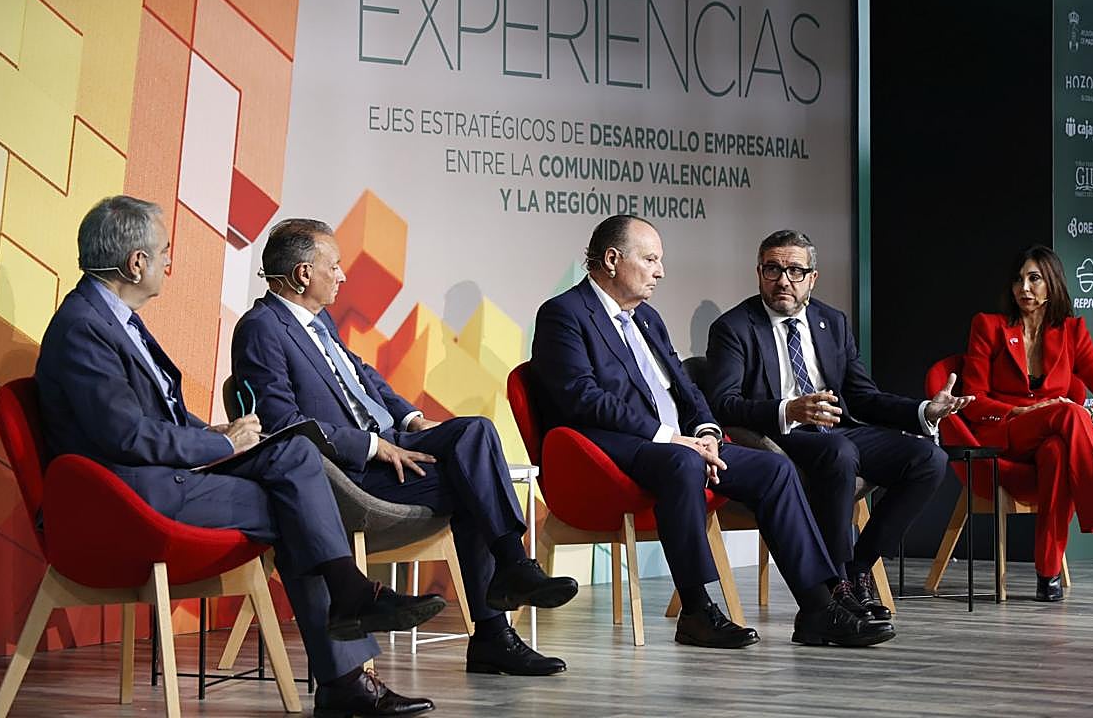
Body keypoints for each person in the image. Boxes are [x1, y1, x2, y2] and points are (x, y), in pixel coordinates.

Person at [35, 196, 442, 717]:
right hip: (130, 495)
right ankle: (348, 664)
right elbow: (127, 436)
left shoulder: (112, 318)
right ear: (136, 263)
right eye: (163, 252)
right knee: (299, 506)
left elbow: (160, 420)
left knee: (294, 457)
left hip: (162, 473)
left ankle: (349, 614)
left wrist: (219, 431)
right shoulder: (83, 328)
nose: (167, 262)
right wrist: (222, 444)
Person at [231, 219, 577, 678]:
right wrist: (373, 446)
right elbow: (284, 425)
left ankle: (510, 578)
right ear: (301, 275)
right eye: (333, 266)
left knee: (474, 434)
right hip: (347, 475)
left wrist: (411, 417)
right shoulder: (261, 328)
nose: (342, 275)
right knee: (474, 481)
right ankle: (498, 623)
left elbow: (363, 379)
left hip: (393, 444)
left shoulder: (319, 322)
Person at [529, 214, 895, 649]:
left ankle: (817, 606)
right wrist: (668, 436)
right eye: (650, 259)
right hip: (610, 448)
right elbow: (582, 398)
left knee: (774, 472)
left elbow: (686, 387)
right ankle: (698, 610)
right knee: (681, 461)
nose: (660, 271)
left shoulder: (646, 317)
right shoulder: (564, 314)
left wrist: (706, 430)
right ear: (612, 259)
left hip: (680, 442)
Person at [704, 229, 969, 619]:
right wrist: (788, 410)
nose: (783, 281)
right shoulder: (735, 327)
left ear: (813, 277)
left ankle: (859, 567)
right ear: (759, 272)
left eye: (795, 271)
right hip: (782, 435)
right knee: (838, 452)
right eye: (772, 269)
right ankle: (835, 581)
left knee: (928, 459)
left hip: (838, 429)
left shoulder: (832, 322)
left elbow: (863, 396)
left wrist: (924, 411)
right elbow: (723, 403)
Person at [960, 244, 1093, 601]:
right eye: (1018, 280)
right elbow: (973, 398)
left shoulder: (1072, 332)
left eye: (1034, 278)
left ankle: (1047, 575)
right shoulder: (988, 327)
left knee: (1057, 450)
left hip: (1052, 434)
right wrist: (1016, 412)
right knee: (1068, 411)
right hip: (1006, 432)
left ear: (1051, 284)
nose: (1024, 287)